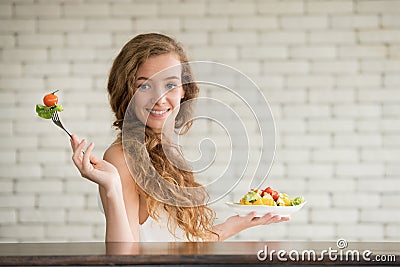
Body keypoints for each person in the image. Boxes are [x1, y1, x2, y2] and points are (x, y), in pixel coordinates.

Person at [70, 33, 289, 242]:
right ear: (127, 92)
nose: (160, 99)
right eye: (144, 85)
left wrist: (236, 224)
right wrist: (111, 188)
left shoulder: (168, 152)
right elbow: (124, 257)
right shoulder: (122, 157)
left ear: (184, 90)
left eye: (170, 85)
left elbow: (178, 243)